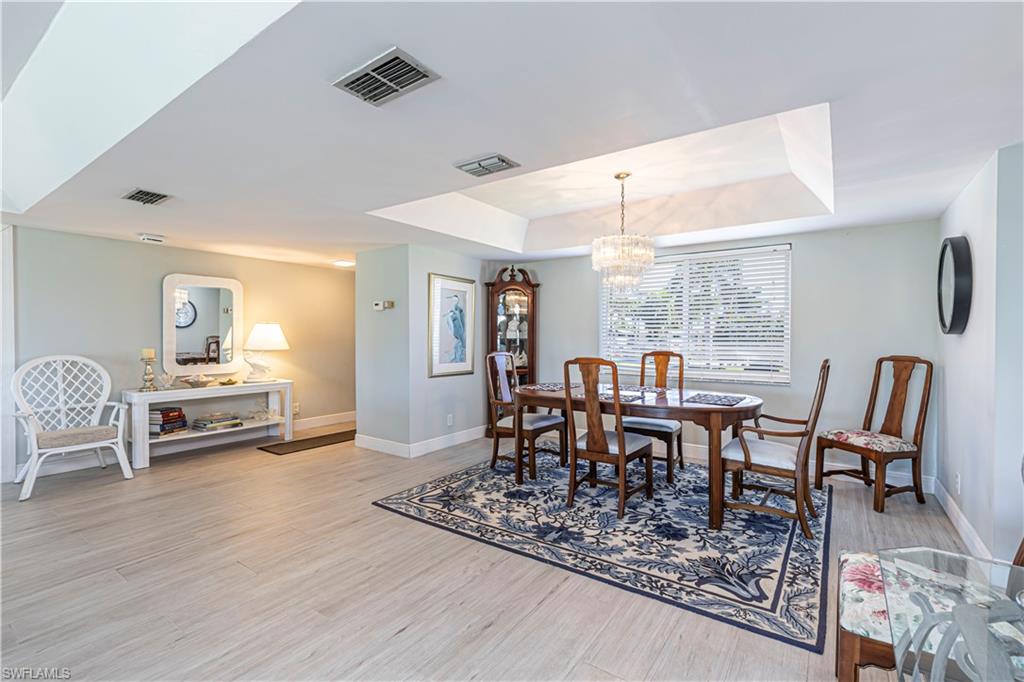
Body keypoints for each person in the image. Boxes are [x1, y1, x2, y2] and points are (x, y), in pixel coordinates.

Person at [445, 294, 466, 362]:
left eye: (454, 299)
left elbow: (461, 321)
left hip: (460, 330)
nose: (453, 301)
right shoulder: (455, 309)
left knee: (459, 344)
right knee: (457, 344)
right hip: (458, 331)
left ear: (457, 300)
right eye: (452, 299)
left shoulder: (459, 310)